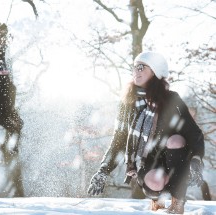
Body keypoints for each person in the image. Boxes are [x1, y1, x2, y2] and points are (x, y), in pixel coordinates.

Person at [87, 51, 205, 214]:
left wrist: (196, 160)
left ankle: (177, 203)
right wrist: (103, 170)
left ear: (156, 71)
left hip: (176, 161)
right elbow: (119, 141)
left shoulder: (171, 99)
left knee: (176, 140)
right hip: (147, 163)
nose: (136, 71)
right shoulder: (128, 103)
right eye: (134, 67)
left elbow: (194, 133)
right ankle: (157, 200)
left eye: (141, 67)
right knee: (155, 182)